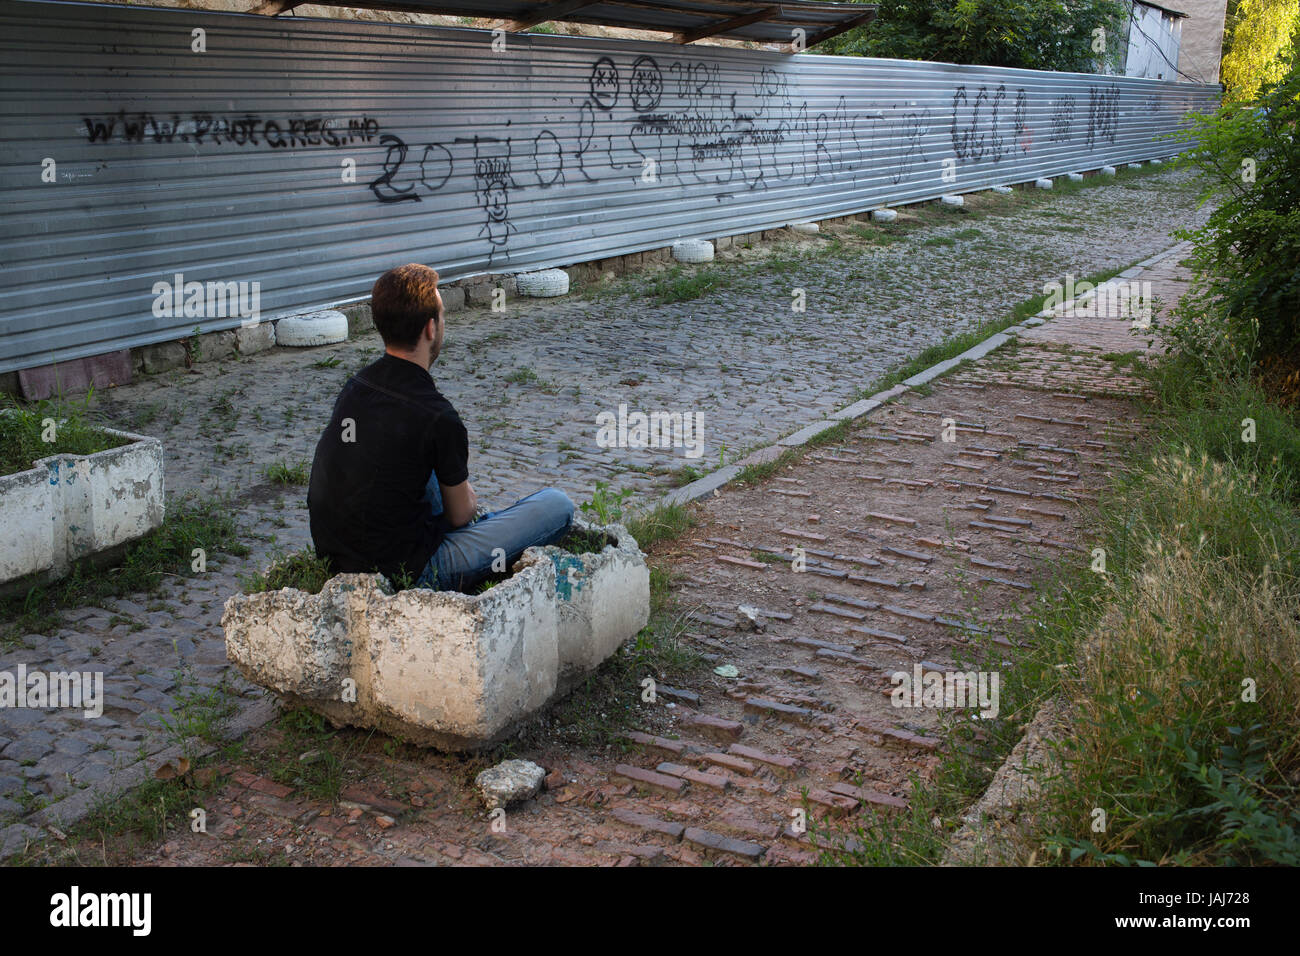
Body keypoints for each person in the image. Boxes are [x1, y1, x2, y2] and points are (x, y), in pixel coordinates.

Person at [307, 263, 574, 592]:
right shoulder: (437, 415)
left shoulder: (355, 387)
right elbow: (462, 514)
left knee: (406, 451)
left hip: (337, 557)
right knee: (556, 505)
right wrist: (467, 503)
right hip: (408, 571)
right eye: (442, 316)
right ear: (431, 329)